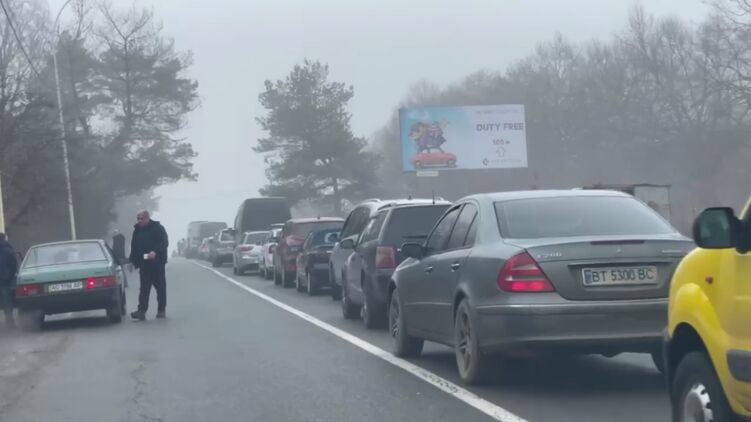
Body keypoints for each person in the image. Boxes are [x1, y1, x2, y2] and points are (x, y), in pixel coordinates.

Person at [128, 210, 169, 320]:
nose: (139, 221)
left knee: (160, 288)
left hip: (157, 264)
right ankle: (141, 311)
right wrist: (131, 261)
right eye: (138, 218)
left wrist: (155, 251)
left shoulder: (158, 228)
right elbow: (134, 247)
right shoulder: (137, 230)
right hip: (144, 264)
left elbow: (164, 242)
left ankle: (161, 310)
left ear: (147, 218)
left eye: (141, 218)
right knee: (144, 289)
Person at [0, 233, 18, 328]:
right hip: (5, 280)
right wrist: (10, 275)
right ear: (5, 238)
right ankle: (9, 321)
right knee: (7, 301)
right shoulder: (9, 250)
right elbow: (14, 265)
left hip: (4, 278)